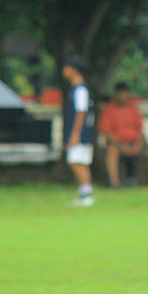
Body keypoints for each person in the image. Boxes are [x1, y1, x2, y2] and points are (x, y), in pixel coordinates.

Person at [98, 82, 148, 188]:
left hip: (134, 142)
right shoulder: (109, 110)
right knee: (112, 152)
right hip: (118, 144)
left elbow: (140, 130)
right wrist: (122, 145)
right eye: (120, 94)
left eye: (125, 93)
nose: (123, 96)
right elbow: (106, 132)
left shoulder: (133, 108)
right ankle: (114, 183)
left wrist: (137, 144)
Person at [62, 57, 96, 206]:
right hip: (79, 132)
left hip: (81, 132)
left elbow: (81, 111)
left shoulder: (80, 89)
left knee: (76, 161)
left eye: (66, 67)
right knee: (80, 161)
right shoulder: (75, 88)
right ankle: (84, 193)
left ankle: (87, 193)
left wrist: (75, 134)